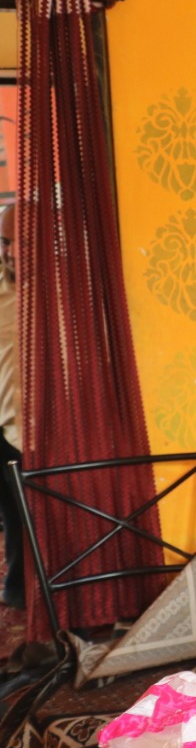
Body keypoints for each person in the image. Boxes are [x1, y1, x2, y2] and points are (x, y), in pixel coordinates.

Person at [0, 204, 23, 610]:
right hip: (2, 425)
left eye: (18, 241)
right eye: (4, 242)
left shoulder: (60, 289)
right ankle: (17, 592)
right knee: (12, 516)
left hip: (40, 426)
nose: (9, 251)